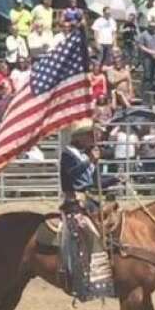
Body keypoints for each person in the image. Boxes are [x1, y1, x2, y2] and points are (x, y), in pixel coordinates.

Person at [59, 119, 119, 300]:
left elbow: (94, 181)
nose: (93, 139)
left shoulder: (85, 155)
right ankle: (84, 275)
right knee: (89, 231)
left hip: (89, 201)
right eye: (89, 136)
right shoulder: (68, 155)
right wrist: (90, 160)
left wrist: (115, 178)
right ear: (80, 137)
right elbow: (74, 175)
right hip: (74, 202)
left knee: (112, 223)